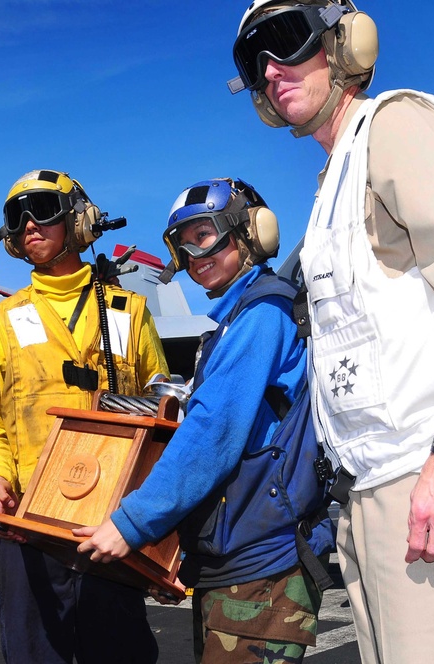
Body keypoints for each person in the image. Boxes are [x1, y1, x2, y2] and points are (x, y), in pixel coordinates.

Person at [229, 2, 434, 662]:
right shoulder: (333, 179)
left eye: (284, 41)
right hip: (373, 497)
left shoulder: (395, 127)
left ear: (341, 41)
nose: (270, 69)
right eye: (252, 58)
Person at [77, 178, 335, 663]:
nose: (196, 254)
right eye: (184, 243)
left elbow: (212, 434)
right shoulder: (236, 319)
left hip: (263, 571)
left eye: (206, 234)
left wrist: (132, 524)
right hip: (240, 564)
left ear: (248, 233)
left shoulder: (261, 315)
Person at [0, 169, 170, 663]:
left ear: (79, 220)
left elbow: (164, 421)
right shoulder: (1, 323)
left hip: (109, 526)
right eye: (16, 218)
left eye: (43, 209)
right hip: (27, 524)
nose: (29, 225)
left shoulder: (128, 311)